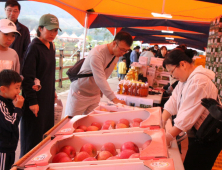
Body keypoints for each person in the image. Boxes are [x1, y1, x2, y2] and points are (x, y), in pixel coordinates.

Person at [161, 49, 222, 170]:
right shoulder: (185, 80)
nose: (172, 76)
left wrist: (166, 138)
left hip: (211, 135)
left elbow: (186, 117)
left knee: (194, 166)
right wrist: (161, 122)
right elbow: (173, 100)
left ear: (182, 64)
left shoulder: (199, 81)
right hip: (201, 133)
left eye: (172, 72)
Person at [20, 14, 61, 157]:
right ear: (40, 28)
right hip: (35, 101)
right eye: (50, 30)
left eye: (55, 31)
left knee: (45, 135)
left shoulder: (51, 46)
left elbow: (49, 73)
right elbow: (27, 78)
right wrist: (32, 101)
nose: (52, 34)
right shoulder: (34, 47)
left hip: (47, 98)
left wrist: (53, 90)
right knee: (32, 139)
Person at [65, 31, 133, 116]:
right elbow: (100, 78)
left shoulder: (116, 55)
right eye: (122, 49)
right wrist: (114, 99)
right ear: (114, 43)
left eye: (126, 51)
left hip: (95, 95)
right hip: (80, 94)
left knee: (90, 123)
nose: (123, 53)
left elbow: (105, 75)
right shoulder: (97, 53)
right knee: (71, 122)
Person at [0, 69, 24, 170]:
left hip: (10, 147)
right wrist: (18, 108)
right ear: (3, 89)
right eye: (16, 88)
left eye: (19, 87)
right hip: (3, 149)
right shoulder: (1, 105)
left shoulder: (9, 100)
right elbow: (11, 124)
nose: (19, 91)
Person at [5, 0, 30, 73]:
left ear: (19, 12)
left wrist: (21, 63)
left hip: (17, 67)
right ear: (5, 10)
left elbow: (27, 50)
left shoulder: (24, 30)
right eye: (9, 10)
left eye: (15, 11)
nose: (12, 13)